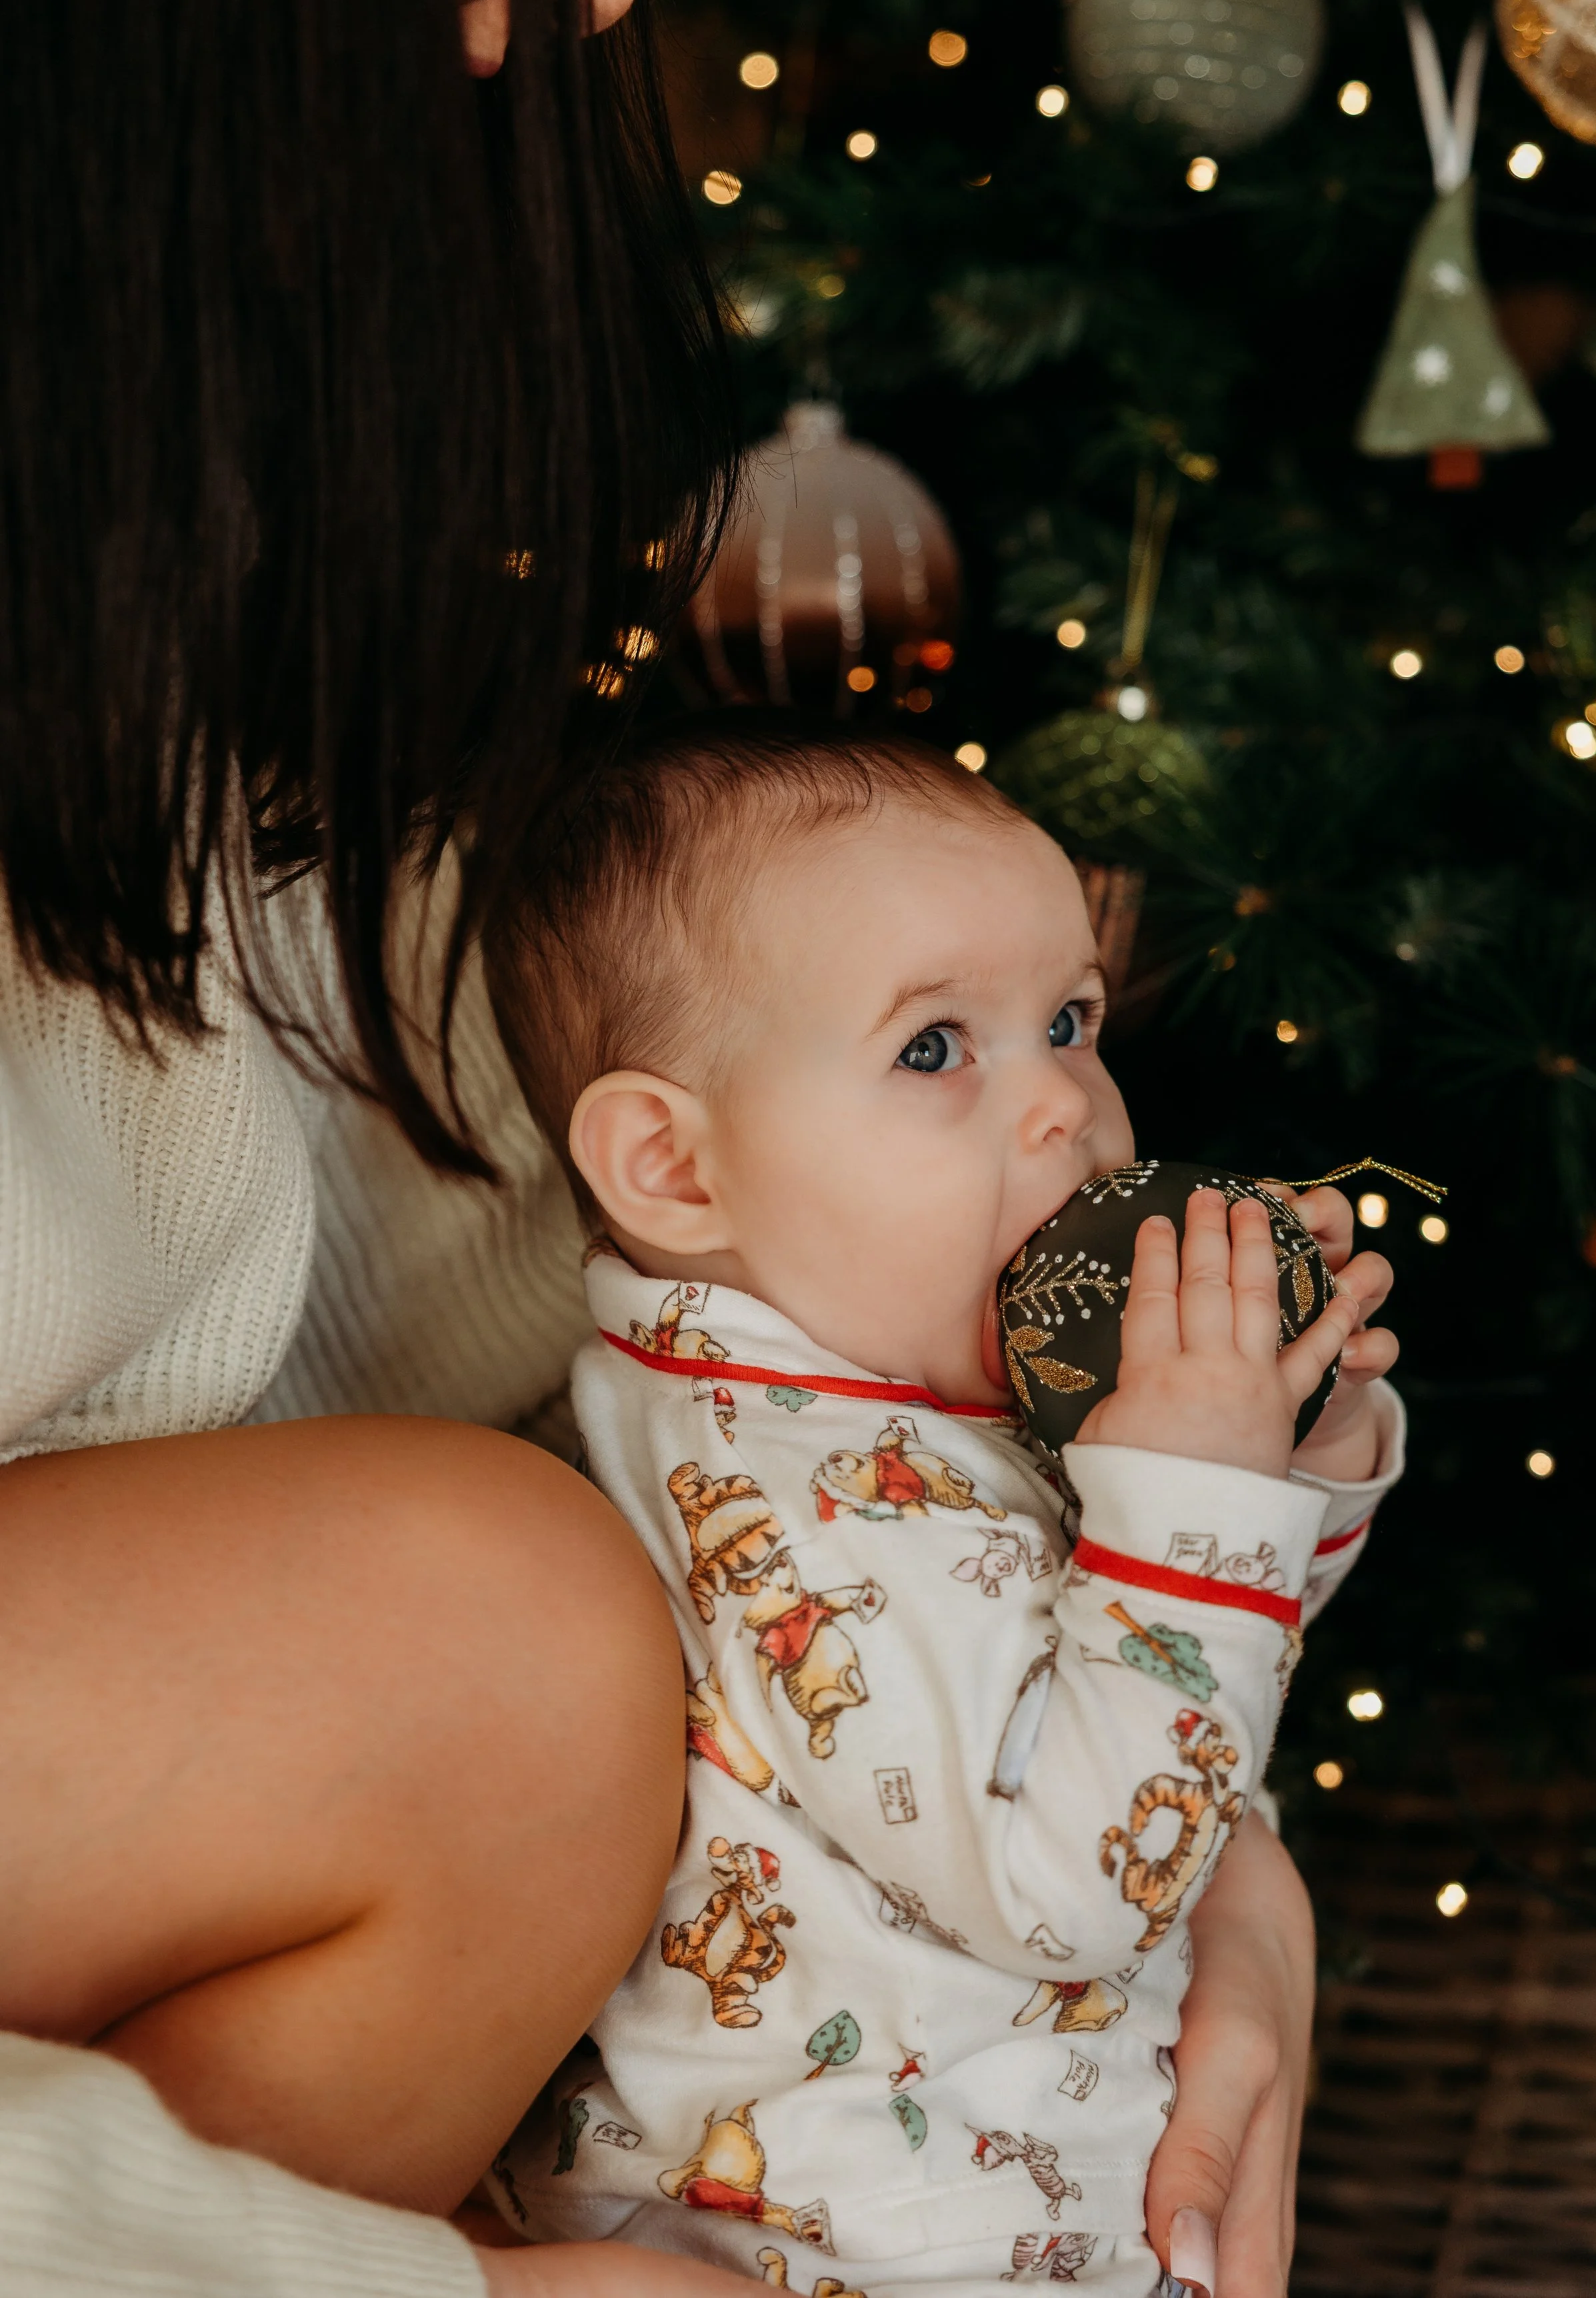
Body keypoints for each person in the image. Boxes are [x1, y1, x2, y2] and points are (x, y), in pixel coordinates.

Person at [0, 0, 1371, 2297]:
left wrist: (1230, 1863)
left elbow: (658, 1394)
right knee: (490, 1639)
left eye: (1067, 1022)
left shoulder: (233, 501)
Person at [479, 722, 1402, 2297]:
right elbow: (1076, 1881)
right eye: (933, 1048)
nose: (1063, 1107)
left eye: (1068, 1021)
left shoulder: (878, 1381)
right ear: (674, 1169)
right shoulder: (797, 1499)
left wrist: (1283, 1461)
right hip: (862, 2248)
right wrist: (1198, 1500)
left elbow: (1162, 1692)